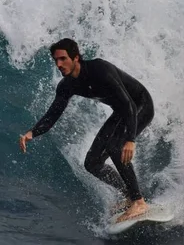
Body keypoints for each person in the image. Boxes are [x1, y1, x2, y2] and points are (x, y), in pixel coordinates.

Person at [19, 38, 154, 222]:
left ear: (75, 58)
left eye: (63, 59)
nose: (59, 64)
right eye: (56, 60)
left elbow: (128, 103)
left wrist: (130, 139)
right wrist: (32, 133)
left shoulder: (100, 70)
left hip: (140, 105)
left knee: (116, 146)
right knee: (92, 163)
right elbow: (53, 114)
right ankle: (130, 196)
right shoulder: (67, 85)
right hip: (122, 112)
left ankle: (139, 202)